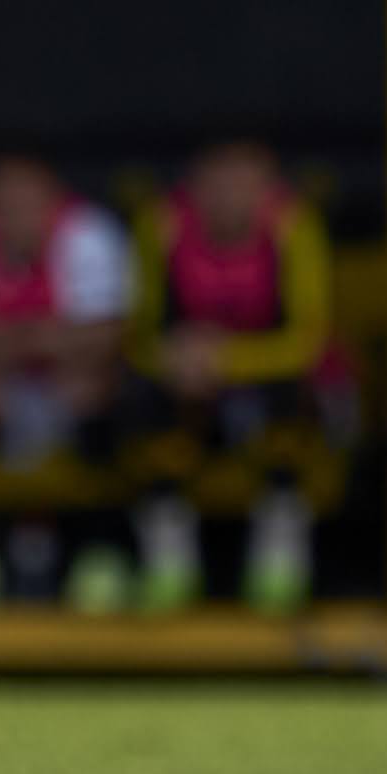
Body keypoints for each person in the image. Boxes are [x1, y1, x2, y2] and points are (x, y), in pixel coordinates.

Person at [122, 139, 345, 614]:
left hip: (271, 378)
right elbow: (138, 336)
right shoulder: (162, 227)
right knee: (146, 401)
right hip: (189, 382)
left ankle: (280, 566)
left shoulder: (292, 227)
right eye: (217, 186)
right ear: (195, 189)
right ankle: (168, 567)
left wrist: (224, 360)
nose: (230, 199)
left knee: (293, 402)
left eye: (245, 187)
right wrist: (174, 359)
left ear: (267, 191)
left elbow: (309, 340)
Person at [0, 152, 138, 610]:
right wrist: (45, 339)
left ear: (53, 202)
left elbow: (107, 338)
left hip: (65, 388)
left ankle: (98, 553)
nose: (15, 217)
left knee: (103, 392)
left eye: (27, 204)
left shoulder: (87, 233)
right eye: (3, 206)